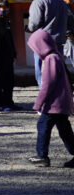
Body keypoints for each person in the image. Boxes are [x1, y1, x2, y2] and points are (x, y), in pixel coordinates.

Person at [27, 28, 74, 167]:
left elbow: (48, 84)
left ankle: (42, 156)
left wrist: (39, 103)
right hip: (61, 102)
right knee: (65, 130)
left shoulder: (50, 59)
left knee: (43, 126)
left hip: (53, 103)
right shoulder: (56, 56)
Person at [27, 0, 69, 89]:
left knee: (42, 70)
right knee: (56, 70)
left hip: (43, 42)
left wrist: (29, 28)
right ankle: (57, 95)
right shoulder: (62, 2)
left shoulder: (39, 1)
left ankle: (44, 94)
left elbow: (34, 24)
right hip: (59, 41)